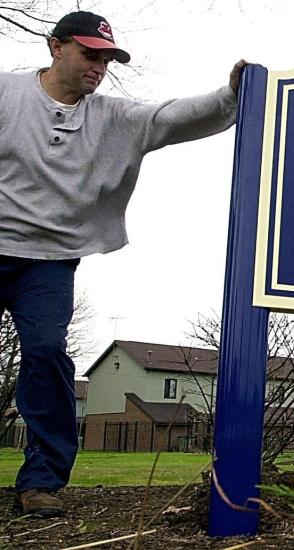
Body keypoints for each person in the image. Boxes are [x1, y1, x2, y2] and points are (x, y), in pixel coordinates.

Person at [0, 11, 246, 518]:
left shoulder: (113, 118)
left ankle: (41, 481)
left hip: (48, 261)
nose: (98, 67)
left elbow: (172, 116)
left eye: (106, 59)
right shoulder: (8, 95)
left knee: (46, 354)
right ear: (56, 47)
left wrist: (232, 93)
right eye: (90, 55)